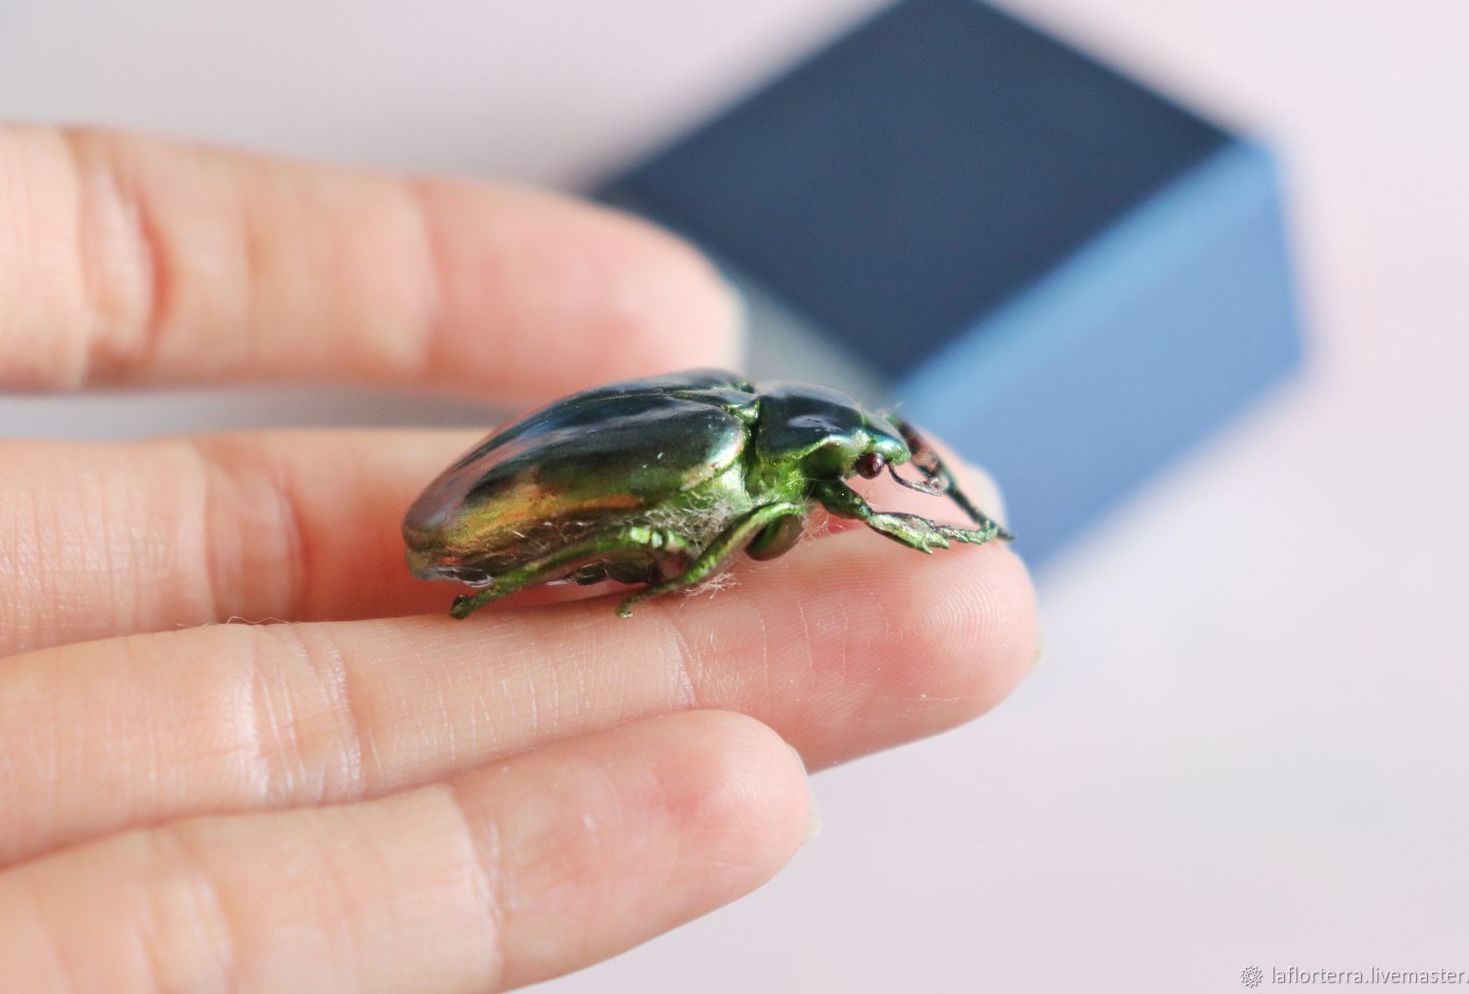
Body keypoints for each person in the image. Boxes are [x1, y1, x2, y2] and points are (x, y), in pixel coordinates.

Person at [0, 126, 1038, 992]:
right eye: (865, 468)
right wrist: (924, 535)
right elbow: (697, 527)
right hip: (496, 521)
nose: (867, 486)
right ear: (820, 453)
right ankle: (503, 578)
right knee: (646, 538)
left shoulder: (743, 421)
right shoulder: (736, 454)